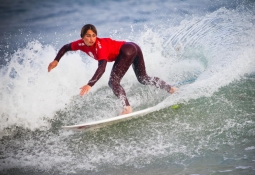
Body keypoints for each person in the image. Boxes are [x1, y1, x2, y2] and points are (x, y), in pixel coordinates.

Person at [48, 24, 177, 115]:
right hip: (133, 47)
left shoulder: (100, 47)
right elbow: (65, 47)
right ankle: (171, 89)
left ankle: (127, 108)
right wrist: (56, 60)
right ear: (82, 37)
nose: (91, 38)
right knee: (143, 78)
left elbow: (102, 68)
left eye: (94, 35)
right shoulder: (79, 44)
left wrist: (90, 84)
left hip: (127, 50)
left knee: (113, 82)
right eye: (88, 36)